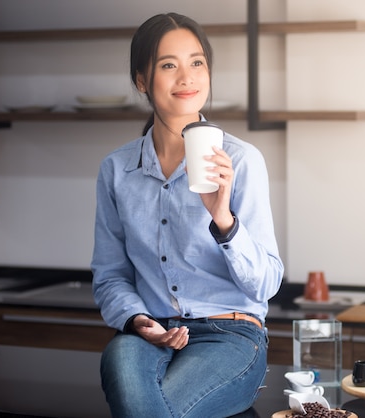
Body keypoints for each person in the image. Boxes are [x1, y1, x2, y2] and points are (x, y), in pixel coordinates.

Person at [91, 12, 284, 418]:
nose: (187, 77)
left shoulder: (240, 161)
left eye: (197, 63)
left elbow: (266, 284)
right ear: (142, 80)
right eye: (168, 65)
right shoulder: (117, 170)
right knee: (120, 364)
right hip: (149, 334)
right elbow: (110, 276)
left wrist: (224, 222)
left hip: (230, 336)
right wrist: (137, 318)